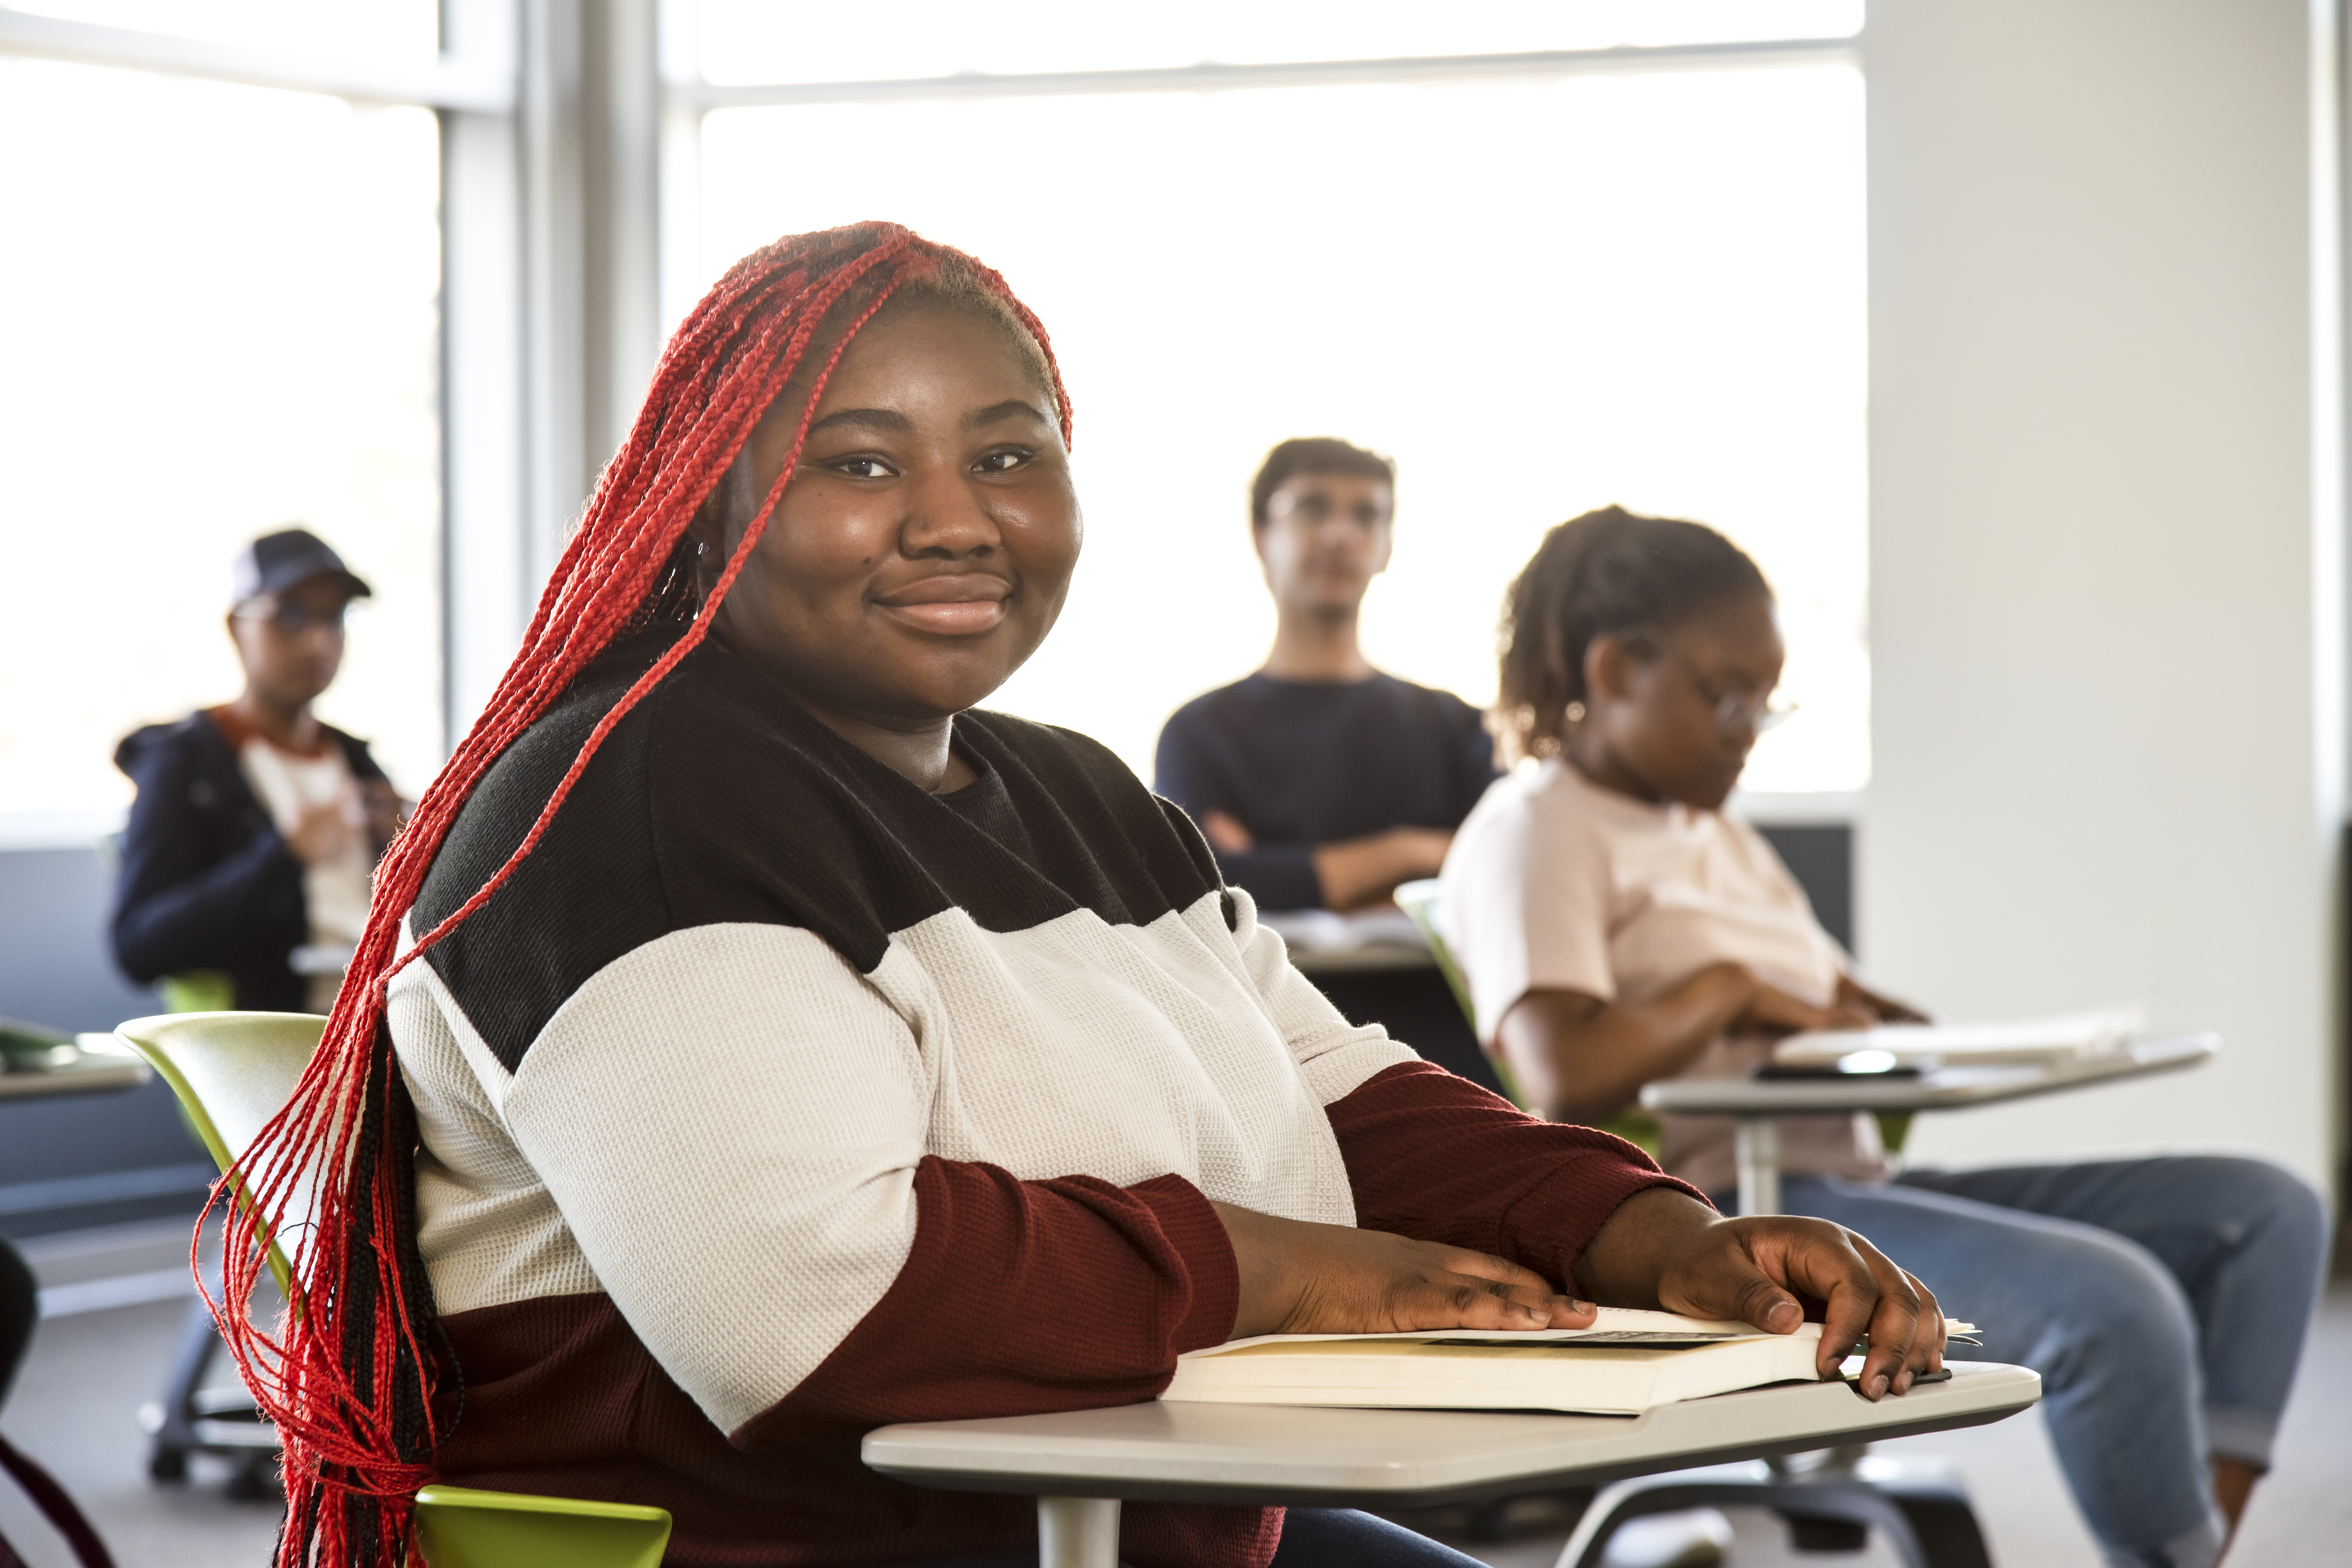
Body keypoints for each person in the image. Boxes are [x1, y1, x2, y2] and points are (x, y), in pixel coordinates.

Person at [212, 227, 1947, 1568]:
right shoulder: (619, 801)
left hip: (1108, 1513)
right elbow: (809, 1299)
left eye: (1011, 453)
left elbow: (1332, 1089)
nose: (955, 519)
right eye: (861, 459)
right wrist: (1277, 1266)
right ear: (707, 501)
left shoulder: (1074, 789)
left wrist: (1645, 1228)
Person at [1439, 506, 2330, 1568]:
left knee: (2264, 1211)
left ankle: (2190, 1550)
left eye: (1765, 706)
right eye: (1725, 696)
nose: (1744, 730)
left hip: (1850, 1174)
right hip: (1750, 1214)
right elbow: (1559, 1073)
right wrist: (1730, 988)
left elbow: (1828, 999)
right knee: (2112, 1303)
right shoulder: (1536, 827)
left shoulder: (1713, 831)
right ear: (1616, 665)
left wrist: (1891, 1021)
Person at [1155, 440, 1503, 1089]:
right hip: (1265, 1065)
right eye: (1313, 508)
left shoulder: (1457, 728)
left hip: (1448, 1063)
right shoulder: (1199, 733)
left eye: (1366, 515)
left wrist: (1289, 869)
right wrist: (1416, 856)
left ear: (1388, 545)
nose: (1341, 533)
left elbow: (1507, 874)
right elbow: (1207, 890)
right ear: (1262, 535)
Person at [111, 529, 405, 1013]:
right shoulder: (185, 767)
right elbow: (140, 944)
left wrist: (415, 843)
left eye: (334, 617)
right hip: (263, 1057)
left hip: (374, 1037)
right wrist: (284, 855)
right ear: (236, 626)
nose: (317, 639)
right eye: (289, 615)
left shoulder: (355, 762)